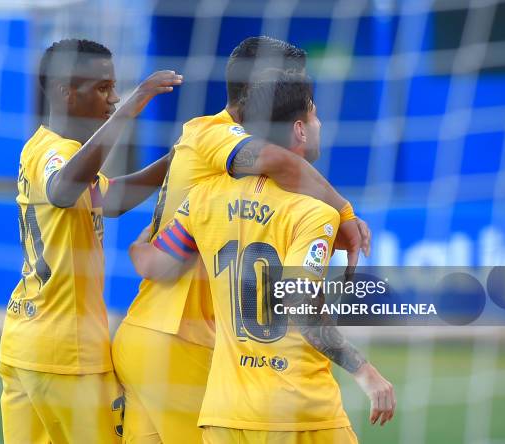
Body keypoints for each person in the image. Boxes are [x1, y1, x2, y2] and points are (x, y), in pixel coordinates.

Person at [112, 36, 371, 443]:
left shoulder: (214, 166)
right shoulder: (216, 132)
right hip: (179, 340)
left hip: (148, 331)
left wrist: (139, 246)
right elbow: (278, 161)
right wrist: (344, 213)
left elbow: (159, 261)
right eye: (293, 87)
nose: (299, 98)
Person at [0, 38, 182, 443]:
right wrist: (134, 106)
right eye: (103, 88)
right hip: (68, 354)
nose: (113, 98)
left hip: (24, 347)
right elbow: (64, 189)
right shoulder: (54, 154)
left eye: (116, 89)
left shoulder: (51, 150)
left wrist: (174, 162)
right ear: (66, 92)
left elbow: (110, 198)